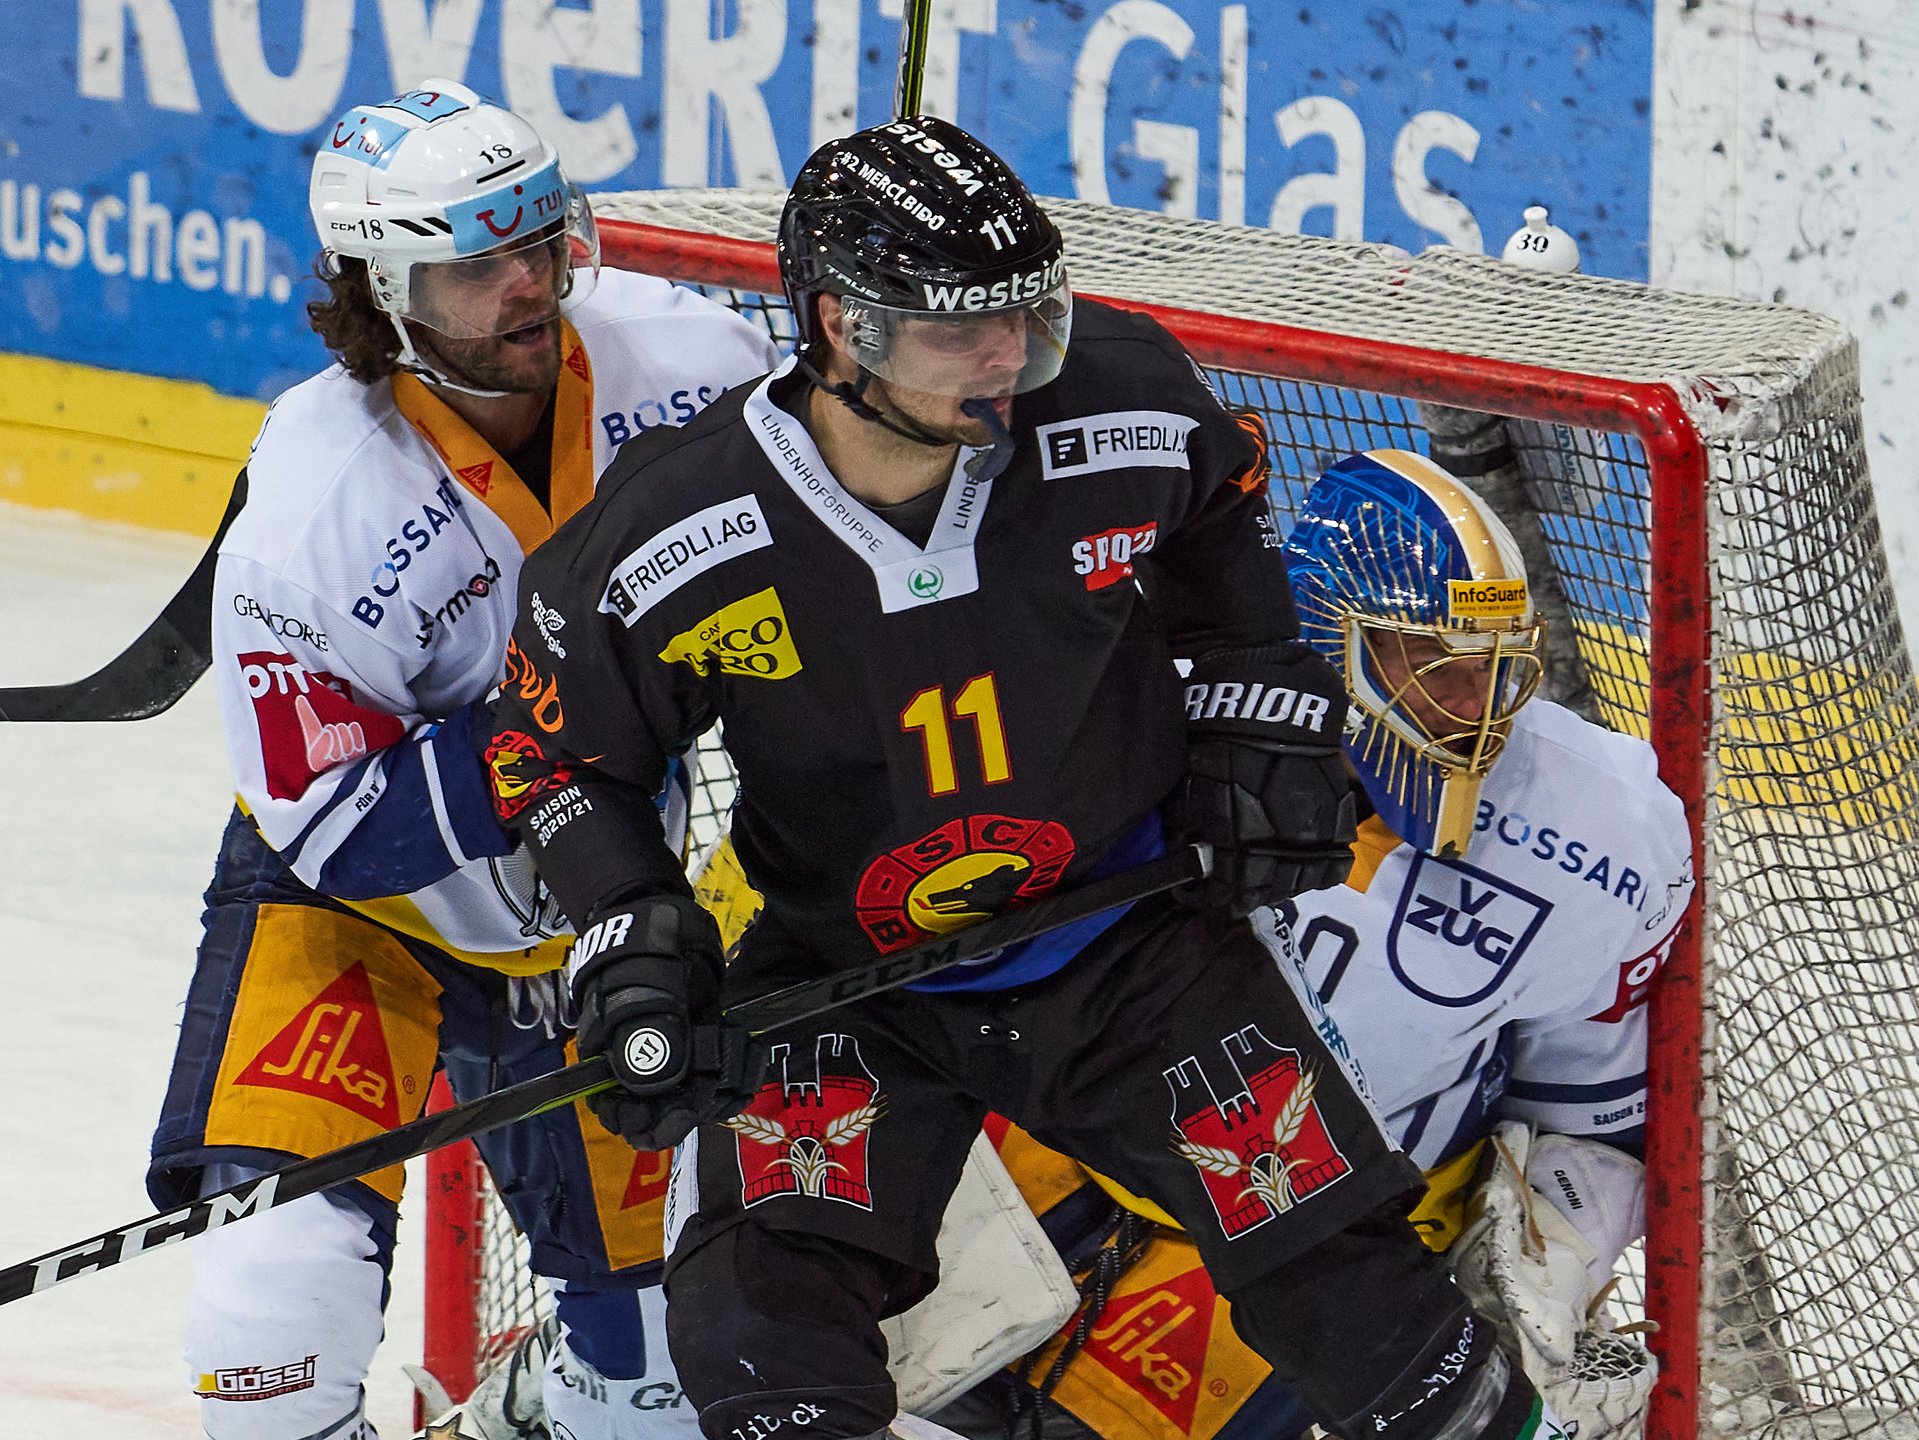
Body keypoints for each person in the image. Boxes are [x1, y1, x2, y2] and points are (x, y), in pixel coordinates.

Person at [487, 117, 1572, 1440]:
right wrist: (632, 927)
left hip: (1131, 944)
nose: (1010, 354)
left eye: (1024, 312)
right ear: (839, 328)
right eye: (963, 330)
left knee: (1362, 1304)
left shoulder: (1124, 404)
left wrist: (1253, 719)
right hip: (853, 977)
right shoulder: (677, 531)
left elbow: (1224, 533)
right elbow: (550, 755)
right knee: (757, 1331)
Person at [145, 79, 778, 1440]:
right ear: (381, 296)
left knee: (663, 1379)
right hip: (356, 919)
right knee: (270, 1311)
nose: (530, 284)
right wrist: (560, 731)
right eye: (476, 267)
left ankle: (547, 1398)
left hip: (606, 908)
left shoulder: (698, 365)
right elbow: (334, 826)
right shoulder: (312, 506)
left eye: (538, 242)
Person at [929, 450, 1693, 1440]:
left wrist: (1557, 1252)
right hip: (1058, 1160)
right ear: (1325, 636)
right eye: (1430, 662)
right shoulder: (1149, 709)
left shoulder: (1603, 833)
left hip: (1326, 1248)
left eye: (1496, 666)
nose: (1474, 707)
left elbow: (1599, 1124)